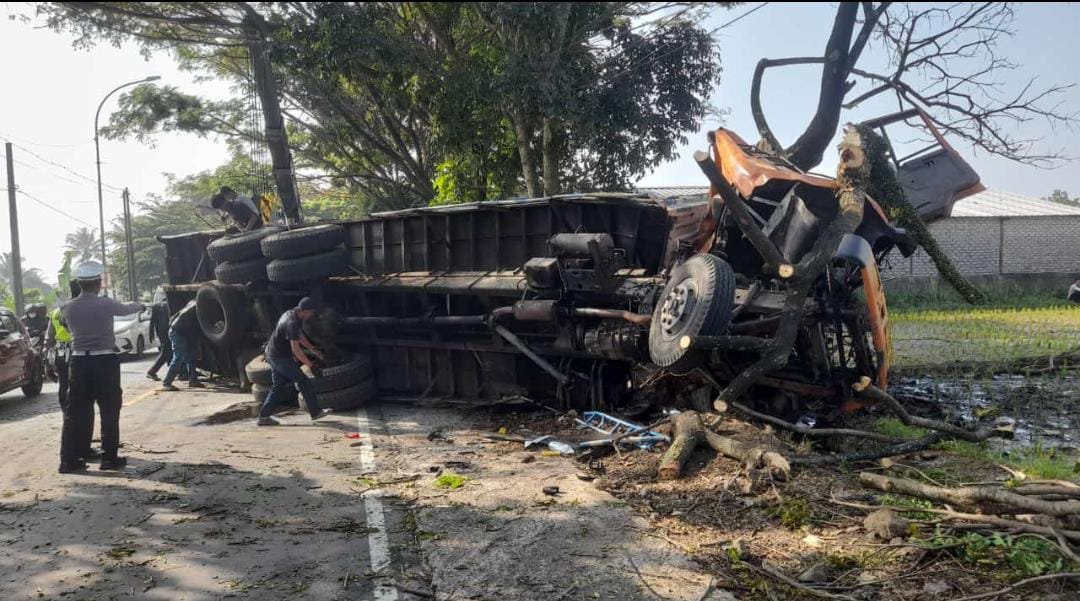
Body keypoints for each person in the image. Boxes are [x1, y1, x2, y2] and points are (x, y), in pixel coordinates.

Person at [58, 262, 143, 474]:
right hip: (104, 361)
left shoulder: (67, 307)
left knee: (75, 412)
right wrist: (139, 305)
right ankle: (109, 458)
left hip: (78, 363)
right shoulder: (105, 304)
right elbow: (127, 309)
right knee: (109, 409)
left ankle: (69, 460)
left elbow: (65, 325)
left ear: (79, 283)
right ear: (98, 283)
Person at [46, 281, 99, 462]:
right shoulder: (78, 310)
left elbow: (49, 339)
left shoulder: (57, 311)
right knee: (83, 403)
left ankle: (74, 445)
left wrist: (47, 363)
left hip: (61, 356)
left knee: (66, 398)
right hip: (78, 355)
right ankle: (82, 448)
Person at [256, 297, 331, 426]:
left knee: (278, 387)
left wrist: (313, 350)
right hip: (279, 357)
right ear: (306, 311)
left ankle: (263, 417)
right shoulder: (292, 322)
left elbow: (299, 336)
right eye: (312, 312)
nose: (312, 315)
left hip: (273, 353)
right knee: (303, 381)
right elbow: (296, 350)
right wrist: (311, 366)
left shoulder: (293, 314)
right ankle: (315, 412)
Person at [160, 300, 204, 391]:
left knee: (191, 356)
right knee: (179, 357)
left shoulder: (193, 303)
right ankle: (167, 382)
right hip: (178, 332)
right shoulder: (201, 309)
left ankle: (193, 380)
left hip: (181, 331)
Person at [145, 299, 172, 381]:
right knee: (166, 351)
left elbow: (152, 320)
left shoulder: (157, 305)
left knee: (168, 351)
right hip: (167, 331)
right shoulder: (168, 305)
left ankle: (175, 371)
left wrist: (152, 333)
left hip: (160, 331)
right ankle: (152, 371)